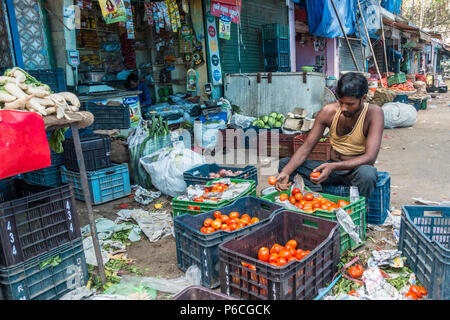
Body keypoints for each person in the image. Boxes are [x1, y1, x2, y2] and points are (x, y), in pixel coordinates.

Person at [276, 72, 385, 201]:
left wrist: (333, 167)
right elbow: (306, 147)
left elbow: (370, 158)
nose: (344, 108)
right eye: (341, 102)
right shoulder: (328, 112)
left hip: (355, 171)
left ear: (364, 98)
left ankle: (359, 207)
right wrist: (286, 172)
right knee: (285, 164)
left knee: (368, 174)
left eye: (350, 104)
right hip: (331, 168)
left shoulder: (374, 113)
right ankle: (317, 197)